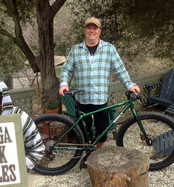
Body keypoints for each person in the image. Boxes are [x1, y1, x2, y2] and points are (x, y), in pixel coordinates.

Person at [59, 17, 140, 149]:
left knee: (102, 129)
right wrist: (63, 83)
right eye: (89, 28)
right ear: (84, 30)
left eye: (95, 28)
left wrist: (129, 85)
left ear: (99, 31)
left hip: (100, 98)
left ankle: (97, 151)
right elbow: (66, 69)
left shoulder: (109, 49)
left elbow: (120, 70)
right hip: (81, 98)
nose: (92, 31)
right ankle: (87, 151)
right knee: (83, 131)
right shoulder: (75, 50)